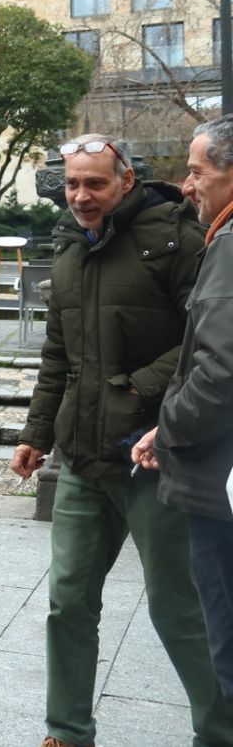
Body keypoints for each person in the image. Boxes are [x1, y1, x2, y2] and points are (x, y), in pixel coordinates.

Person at [10, 133, 233, 747]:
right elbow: (58, 351)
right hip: (80, 458)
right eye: (72, 183)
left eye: (96, 184)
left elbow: (206, 341)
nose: (81, 195)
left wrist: (136, 387)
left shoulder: (176, 237)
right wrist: (36, 432)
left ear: (126, 180)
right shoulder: (67, 246)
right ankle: (66, 731)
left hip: (154, 458)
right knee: (68, 602)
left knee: (179, 610)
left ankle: (220, 732)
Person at [134, 115, 233, 698]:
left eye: (197, 172)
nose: (187, 185)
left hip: (217, 485)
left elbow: (219, 371)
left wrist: (167, 431)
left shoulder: (227, 244)